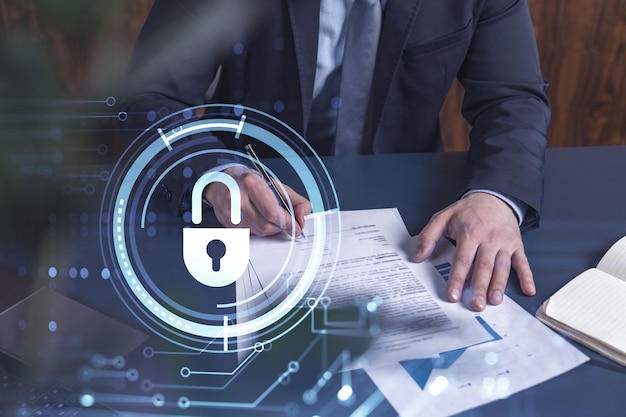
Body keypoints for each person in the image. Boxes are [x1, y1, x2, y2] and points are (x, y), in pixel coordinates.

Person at [119, 0, 550, 312]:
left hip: (411, 206)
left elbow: (511, 97)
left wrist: (496, 196)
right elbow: (148, 96)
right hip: (252, 200)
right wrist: (217, 175)